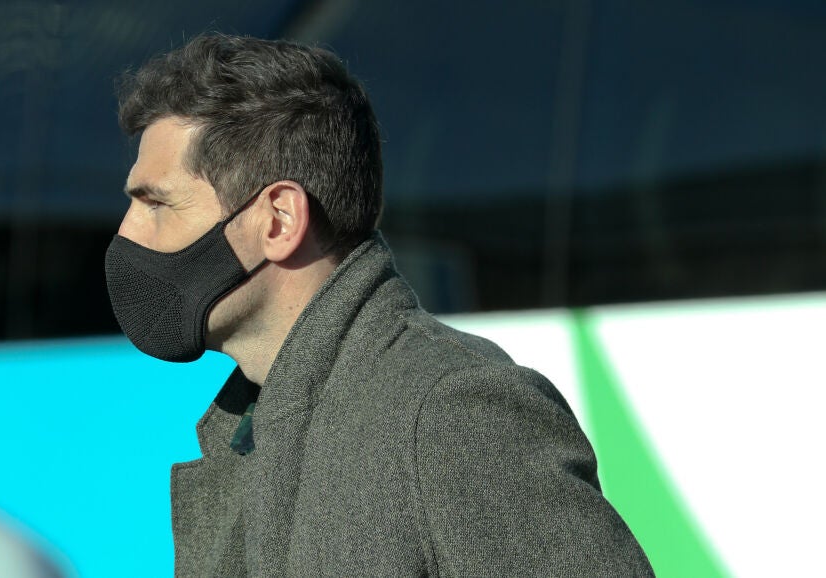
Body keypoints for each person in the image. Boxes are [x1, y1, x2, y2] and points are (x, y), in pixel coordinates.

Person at [105, 34, 653, 576]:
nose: (127, 235)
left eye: (157, 204)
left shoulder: (452, 410)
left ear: (278, 221)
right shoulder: (255, 422)